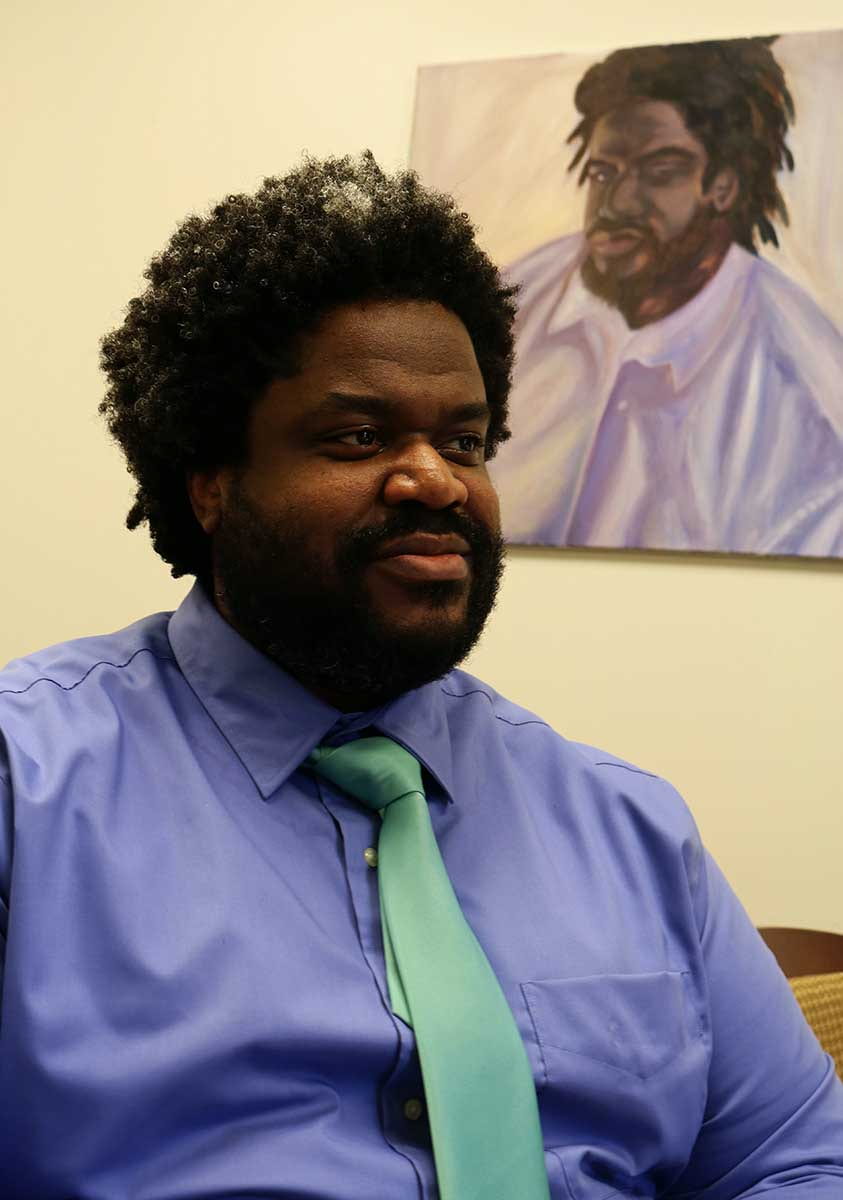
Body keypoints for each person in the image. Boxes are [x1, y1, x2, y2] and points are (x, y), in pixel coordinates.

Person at [1, 153, 841, 1200]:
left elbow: (797, 1161)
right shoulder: (26, 789)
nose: (435, 479)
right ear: (211, 481)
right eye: (359, 436)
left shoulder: (629, 827)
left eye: (465, 440)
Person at [490, 37, 843, 557]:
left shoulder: (801, 390)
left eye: (660, 172)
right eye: (603, 173)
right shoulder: (509, 306)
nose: (617, 201)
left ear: (722, 185)